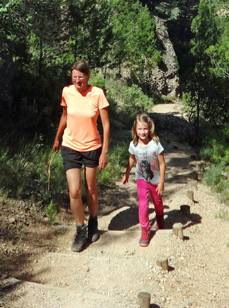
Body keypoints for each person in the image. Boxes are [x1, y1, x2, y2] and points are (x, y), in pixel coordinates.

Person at [53, 60, 110, 252]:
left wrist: (104, 152)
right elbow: (64, 115)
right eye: (74, 77)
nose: (77, 80)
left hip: (92, 146)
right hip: (70, 146)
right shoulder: (67, 92)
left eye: (81, 76)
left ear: (88, 76)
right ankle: (80, 229)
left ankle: (93, 221)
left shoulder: (98, 94)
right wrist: (57, 137)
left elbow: (106, 125)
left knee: (91, 188)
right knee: (75, 191)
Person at [122, 112, 166, 247]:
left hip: (155, 180)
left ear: (150, 128)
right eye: (140, 129)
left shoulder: (155, 144)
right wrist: (127, 173)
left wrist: (162, 182)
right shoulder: (133, 145)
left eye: (145, 128)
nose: (143, 132)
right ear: (135, 129)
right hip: (141, 178)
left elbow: (163, 163)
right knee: (143, 204)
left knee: (157, 202)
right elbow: (131, 159)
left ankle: (159, 216)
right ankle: (145, 230)